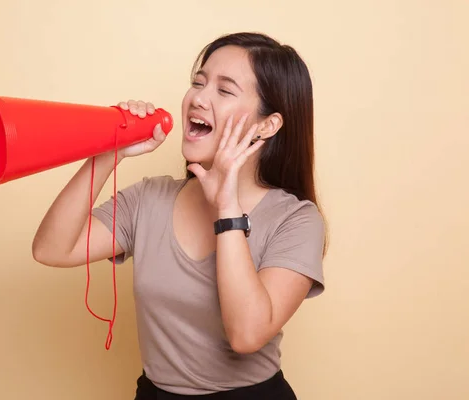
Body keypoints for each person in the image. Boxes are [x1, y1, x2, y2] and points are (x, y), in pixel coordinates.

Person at [32, 32, 327, 399]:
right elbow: (51, 249)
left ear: (266, 125)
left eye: (224, 90)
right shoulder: (150, 198)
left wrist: (226, 208)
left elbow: (246, 334)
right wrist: (108, 151)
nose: (198, 99)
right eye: (197, 83)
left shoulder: (296, 220)